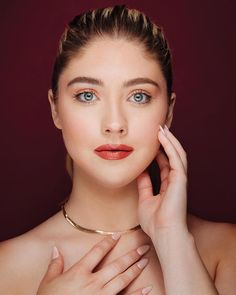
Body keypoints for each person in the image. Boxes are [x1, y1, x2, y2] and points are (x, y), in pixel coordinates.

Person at [0, 4, 235, 294]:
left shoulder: (226, 251)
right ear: (55, 109)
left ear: (168, 111)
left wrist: (172, 239)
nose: (114, 124)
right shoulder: (6, 269)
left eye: (139, 96)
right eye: (87, 95)